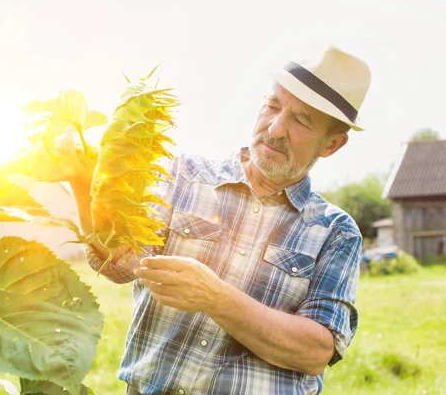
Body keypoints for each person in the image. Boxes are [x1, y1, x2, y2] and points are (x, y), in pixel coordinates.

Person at [69, 45, 371, 395]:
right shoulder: (183, 177)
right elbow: (117, 264)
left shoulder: (336, 232)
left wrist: (215, 298)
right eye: (272, 105)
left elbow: (315, 352)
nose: (274, 128)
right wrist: (81, 182)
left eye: (301, 120)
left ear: (331, 144)